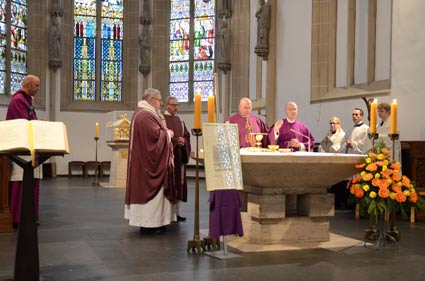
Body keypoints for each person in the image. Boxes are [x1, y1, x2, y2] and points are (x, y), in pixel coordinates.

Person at [125, 88, 177, 233]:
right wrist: (168, 134)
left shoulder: (145, 113)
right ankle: (149, 224)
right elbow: (154, 137)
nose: (161, 104)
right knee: (152, 196)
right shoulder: (144, 116)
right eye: (159, 101)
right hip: (150, 165)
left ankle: (156, 223)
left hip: (146, 162)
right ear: (150, 100)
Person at [6, 74, 42, 229]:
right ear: (28, 84)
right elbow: (23, 123)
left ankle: (28, 215)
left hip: (28, 147)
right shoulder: (19, 100)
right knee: (21, 182)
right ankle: (18, 217)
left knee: (29, 181)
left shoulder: (26, 100)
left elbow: (30, 120)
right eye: (36, 85)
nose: (38, 89)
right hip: (21, 148)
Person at [163, 96, 191, 222]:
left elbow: (186, 135)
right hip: (168, 158)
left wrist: (183, 141)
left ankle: (177, 213)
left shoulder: (180, 120)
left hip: (179, 157)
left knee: (179, 184)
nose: (176, 107)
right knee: (170, 184)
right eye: (173, 105)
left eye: (177, 105)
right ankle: (167, 214)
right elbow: (161, 136)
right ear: (166, 105)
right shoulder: (161, 119)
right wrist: (175, 141)